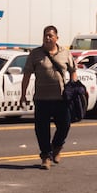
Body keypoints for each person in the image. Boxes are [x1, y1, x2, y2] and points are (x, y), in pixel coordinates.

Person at [19, 25, 77, 169]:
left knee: (65, 125)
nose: (47, 38)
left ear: (57, 38)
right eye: (45, 35)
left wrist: (73, 86)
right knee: (42, 129)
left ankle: (57, 147)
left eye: (50, 35)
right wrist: (23, 94)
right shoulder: (35, 54)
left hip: (61, 99)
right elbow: (27, 75)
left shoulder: (65, 53)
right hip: (42, 99)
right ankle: (46, 157)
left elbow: (73, 70)